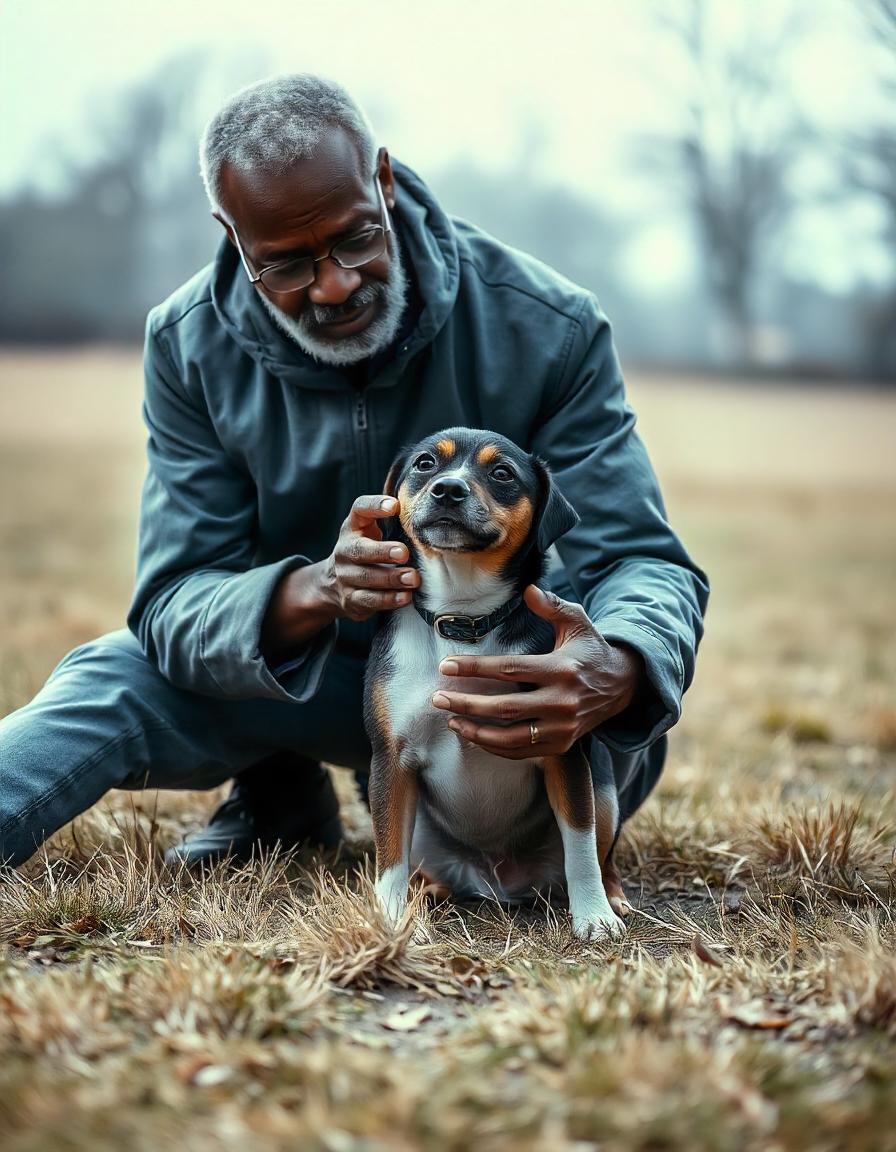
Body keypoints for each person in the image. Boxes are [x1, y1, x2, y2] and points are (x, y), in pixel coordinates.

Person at [0, 74, 709, 870]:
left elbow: (643, 560)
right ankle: (278, 797)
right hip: (303, 689)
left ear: (384, 179)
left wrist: (616, 663)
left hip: (503, 686)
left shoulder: (549, 325)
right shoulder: (187, 344)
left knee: (608, 704)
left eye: (354, 238)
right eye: (287, 265)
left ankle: (513, 842)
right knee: (111, 675)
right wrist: (318, 591)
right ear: (231, 234)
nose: (334, 285)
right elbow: (174, 602)